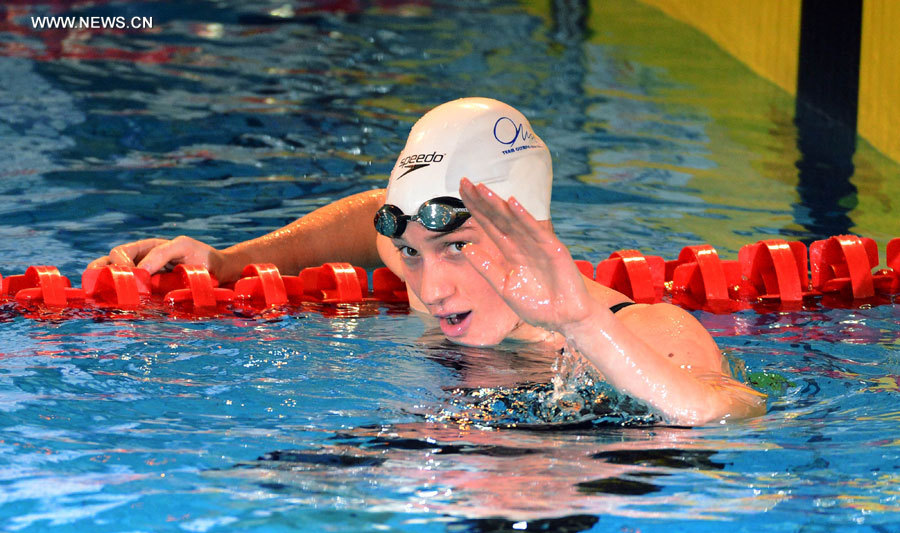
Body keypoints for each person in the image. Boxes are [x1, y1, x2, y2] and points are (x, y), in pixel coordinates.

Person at [89, 97, 765, 425]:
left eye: (456, 248)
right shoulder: (434, 277)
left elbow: (732, 413)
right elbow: (368, 216)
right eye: (411, 253)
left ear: (529, 225)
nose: (432, 289)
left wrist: (582, 321)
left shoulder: (652, 330)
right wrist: (229, 263)